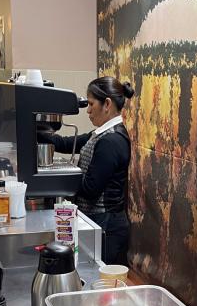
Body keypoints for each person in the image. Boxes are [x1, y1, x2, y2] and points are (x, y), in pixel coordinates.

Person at [39, 76, 133, 265]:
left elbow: (91, 189)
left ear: (107, 104)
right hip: (100, 221)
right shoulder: (100, 134)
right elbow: (67, 143)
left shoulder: (111, 141)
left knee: (102, 278)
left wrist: (57, 178)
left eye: (91, 104)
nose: (88, 110)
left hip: (107, 225)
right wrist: (36, 131)